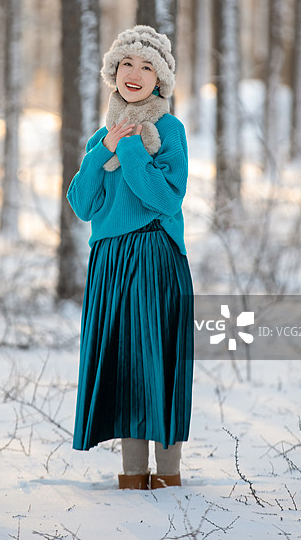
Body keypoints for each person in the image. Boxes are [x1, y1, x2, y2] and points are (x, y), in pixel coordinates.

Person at [66, 25, 194, 490]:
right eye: (127, 64)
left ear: (160, 80)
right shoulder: (101, 138)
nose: (135, 74)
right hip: (110, 263)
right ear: (113, 73)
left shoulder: (169, 130)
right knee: (123, 364)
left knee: (156, 362)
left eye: (147, 67)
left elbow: (164, 198)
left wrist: (133, 148)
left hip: (154, 255)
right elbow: (82, 204)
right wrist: (103, 152)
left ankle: (169, 476)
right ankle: (132, 478)